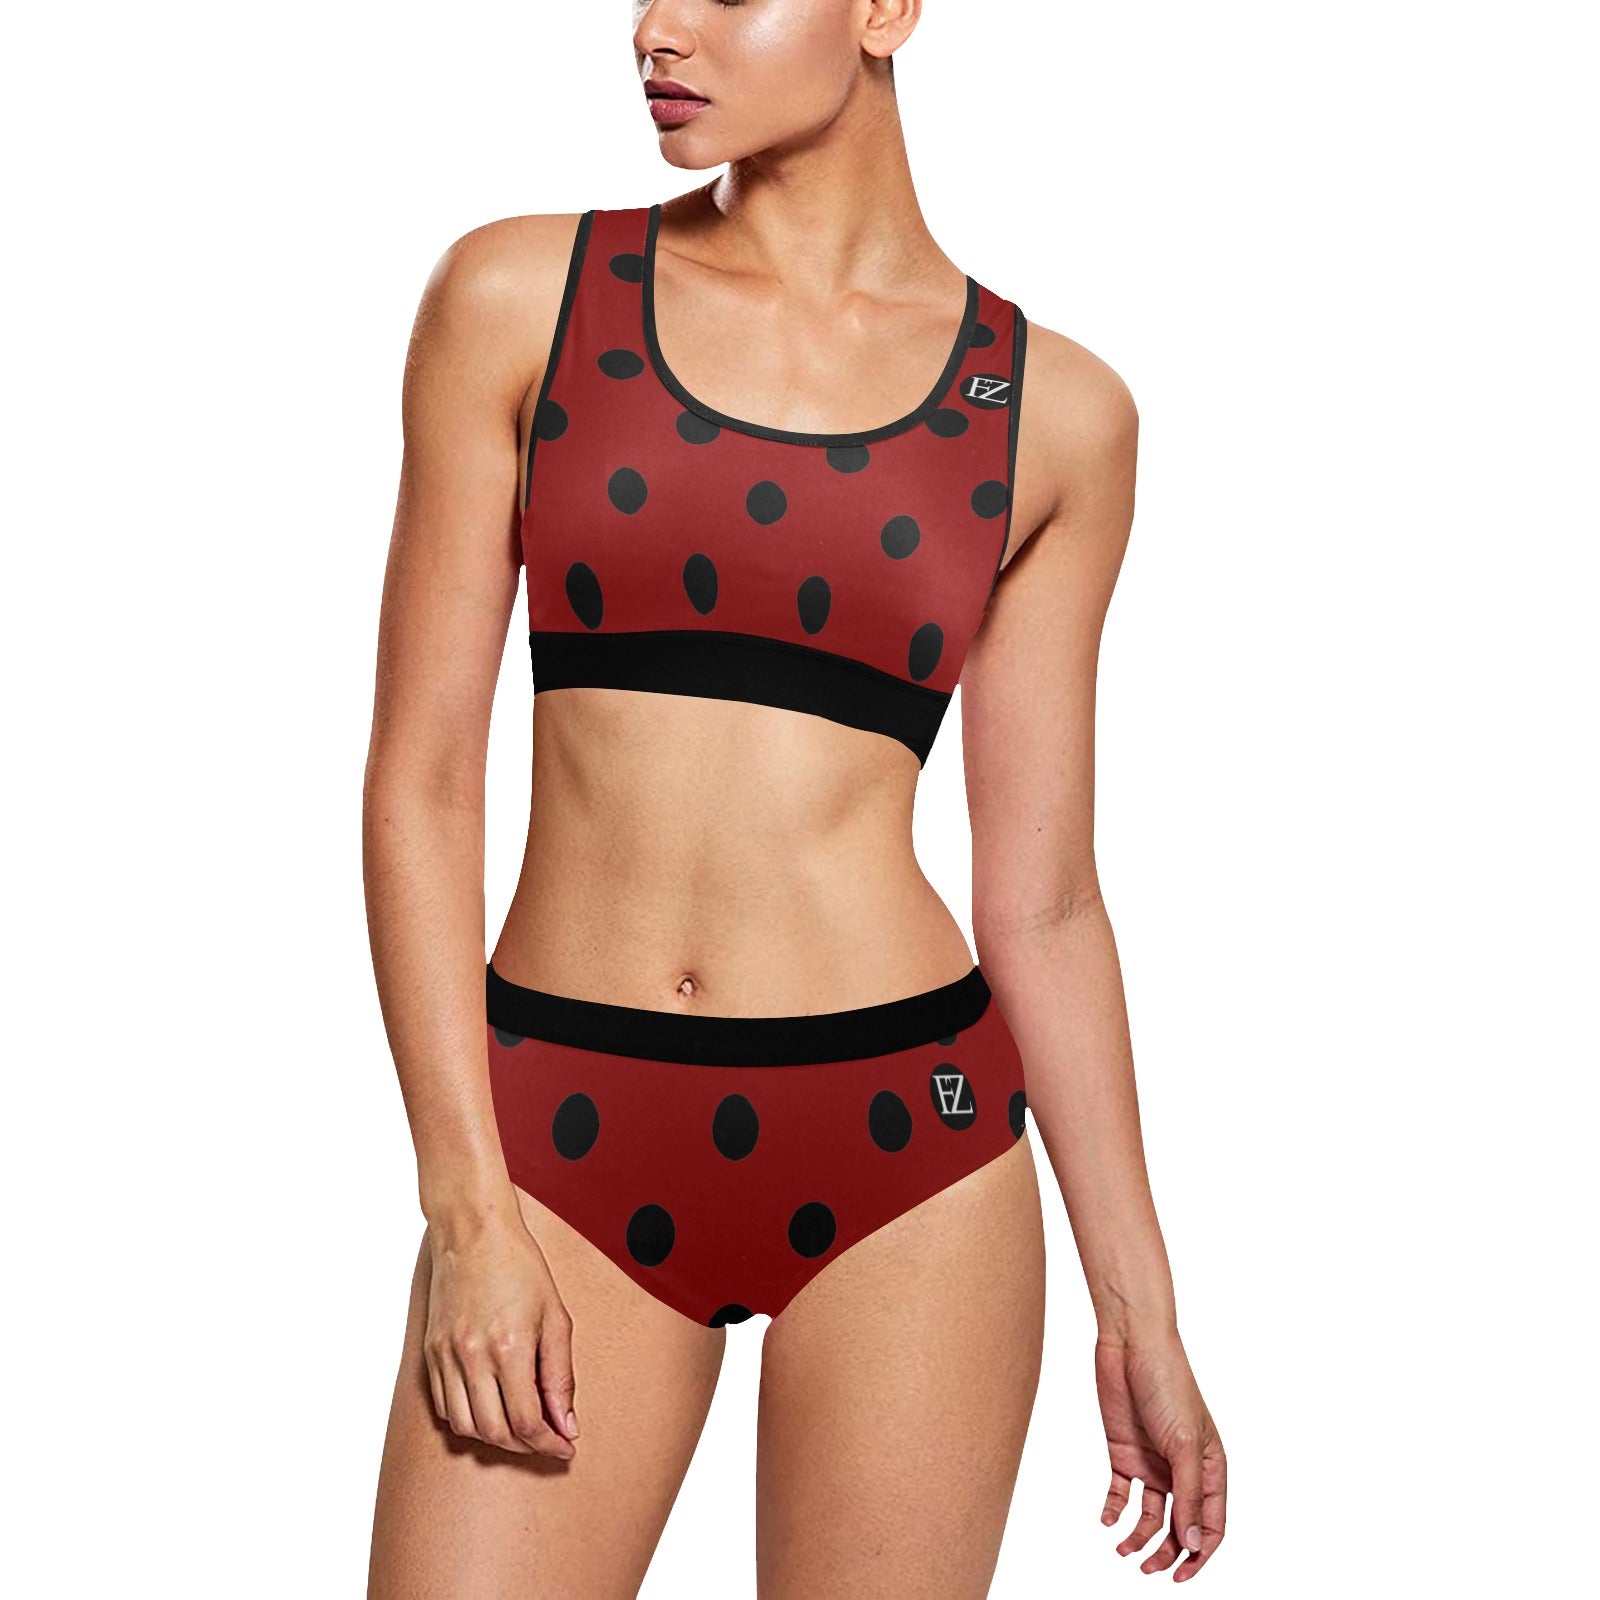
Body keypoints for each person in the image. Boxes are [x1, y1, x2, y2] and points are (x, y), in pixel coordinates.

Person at [363, 2, 1226, 1592]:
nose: (657, 28)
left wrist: (1141, 1309)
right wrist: (469, 1209)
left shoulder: (1056, 414)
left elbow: (1043, 899)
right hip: (564, 1138)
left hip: (914, 1158)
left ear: (887, 8)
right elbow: (422, 782)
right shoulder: (520, 300)